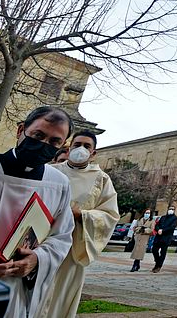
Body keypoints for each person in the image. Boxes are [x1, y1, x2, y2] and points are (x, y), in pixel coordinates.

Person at [0, 106, 75, 318]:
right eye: (38, 135)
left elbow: (61, 237)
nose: (44, 144)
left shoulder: (58, 184)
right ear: (21, 130)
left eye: (54, 141)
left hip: (13, 289)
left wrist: (36, 259)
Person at [41, 130, 120, 317]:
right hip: (42, 240)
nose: (81, 149)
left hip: (74, 245)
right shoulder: (50, 171)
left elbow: (110, 215)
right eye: (77, 145)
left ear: (93, 153)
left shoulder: (102, 179)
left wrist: (82, 215)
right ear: (69, 149)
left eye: (87, 146)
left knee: (61, 292)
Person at [151, 205, 177, 273]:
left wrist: (163, 231)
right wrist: (158, 230)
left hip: (166, 237)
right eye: (170, 209)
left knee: (163, 253)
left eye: (172, 209)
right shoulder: (163, 217)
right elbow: (157, 225)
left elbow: (172, 227)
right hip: (158, 237)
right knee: (154, 250)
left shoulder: (175, 218)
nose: (171, 210)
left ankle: (158, 266)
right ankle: (157, 261)